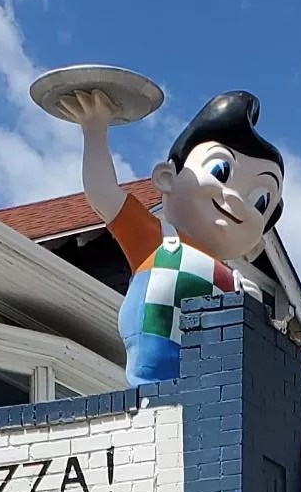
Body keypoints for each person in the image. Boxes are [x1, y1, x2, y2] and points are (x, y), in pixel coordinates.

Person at [67, 87, 286, 384]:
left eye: (260, 200)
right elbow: (103, 193)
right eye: (220, 170)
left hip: (214, 397)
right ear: (166, 178)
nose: (235, 199)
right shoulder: (159, 242)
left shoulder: (239, 285)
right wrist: (94, 128)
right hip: (154, 386)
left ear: (257, 243)